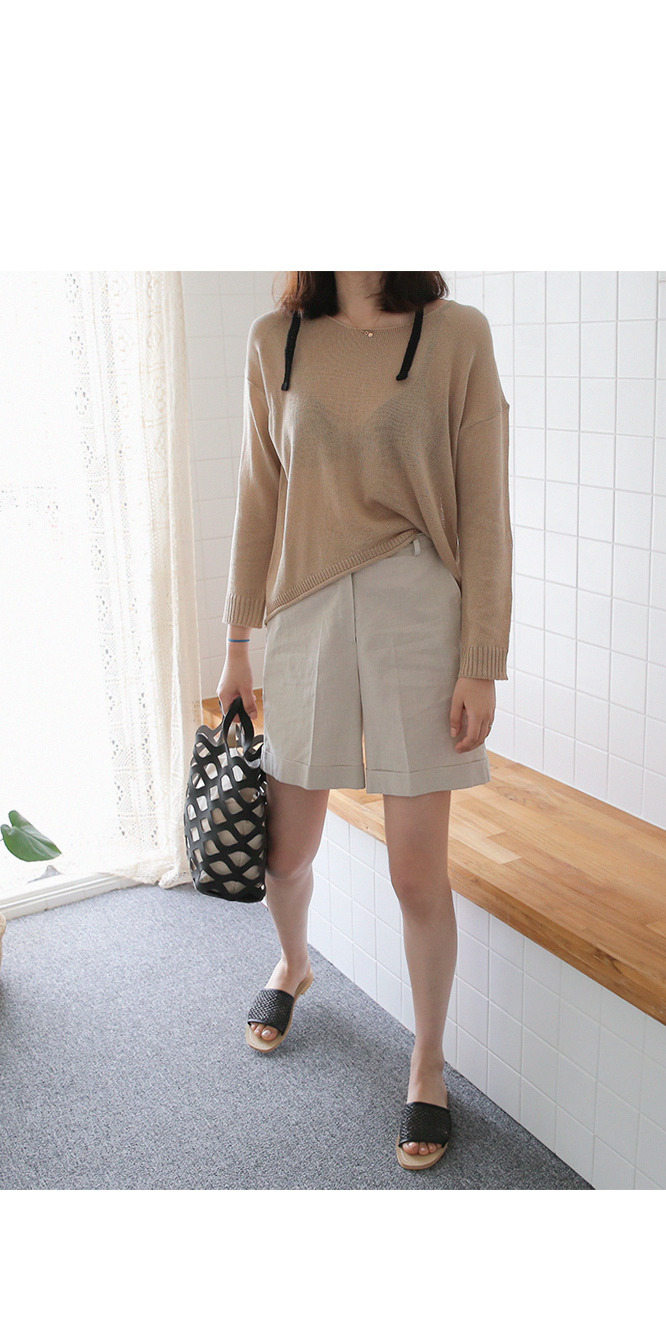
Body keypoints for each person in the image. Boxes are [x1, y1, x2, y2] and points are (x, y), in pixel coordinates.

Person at [218, 270, 512, 1171]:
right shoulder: (276, 340)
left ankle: (428, 1064)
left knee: (417, 875)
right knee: (285, 853)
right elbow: (258, 495)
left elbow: (486, 508)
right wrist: (237, 644)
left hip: (420, 615)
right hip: (304, 614)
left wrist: (481, 661)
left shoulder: (457, 334)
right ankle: (293, 964)